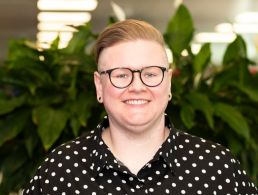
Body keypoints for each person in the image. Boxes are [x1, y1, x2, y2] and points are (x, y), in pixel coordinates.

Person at [23, 19, 257, 195]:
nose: (137, 86)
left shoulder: (217, 167)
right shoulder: (60, 170)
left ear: (168, 83)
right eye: (121, 75)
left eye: (151, 73)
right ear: (99, 86)